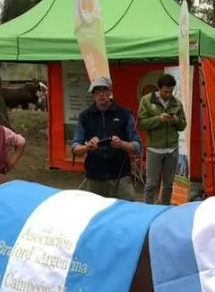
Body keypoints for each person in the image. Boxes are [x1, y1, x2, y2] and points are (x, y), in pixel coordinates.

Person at [72, 76, 142, 200]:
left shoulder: (125, 115)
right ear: (93, 94)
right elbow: (75, 148)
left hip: (121, 177)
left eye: (104, 90)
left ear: (110, 92)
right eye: (97, 91)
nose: (101, 94)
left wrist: (122, 144)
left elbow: (137, 146)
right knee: (95, 215)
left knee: (127, 213)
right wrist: (87, 147)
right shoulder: (84, 117)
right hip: (94, 178)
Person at [137, 73, 187, 204]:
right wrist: (158, 119)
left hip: (172, 150)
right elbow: (141, 124)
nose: (169, 94)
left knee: (168, 185)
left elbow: (183, 126)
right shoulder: (146, 101)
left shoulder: (177, 103)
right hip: (154, 149)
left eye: (171, 91)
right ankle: (147, 211)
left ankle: (163, 210)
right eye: (166, 91)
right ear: (158, 89)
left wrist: (176, 120)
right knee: (151, 184)